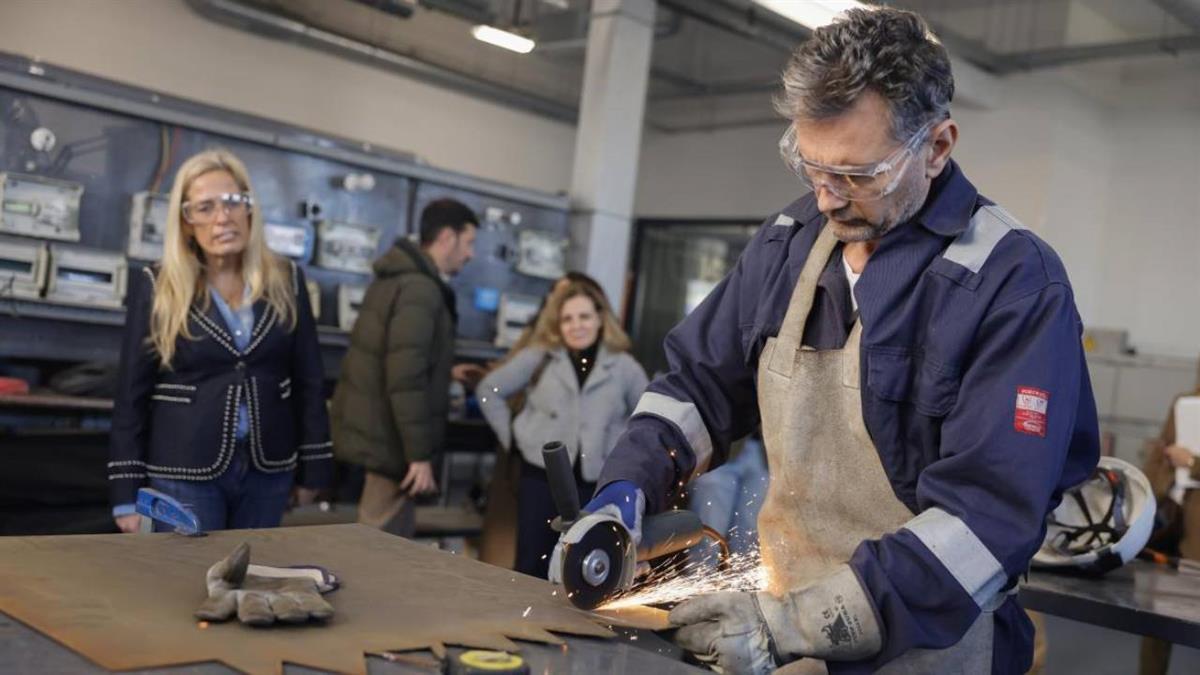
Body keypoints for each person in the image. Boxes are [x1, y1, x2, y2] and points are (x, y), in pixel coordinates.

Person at [564, 8, 1099, 673]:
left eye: (856, 175)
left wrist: (791, 626)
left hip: (928, 642)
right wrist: (627, 488)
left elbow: (985, 520)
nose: (826, 198)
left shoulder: (1013, 281)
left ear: (936, 148)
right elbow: (697, 386)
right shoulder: (789, 243)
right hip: (780, 624)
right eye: (810, 166)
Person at [109, 149, 332, 533]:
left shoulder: (287, 279)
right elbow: (131, 394)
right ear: (186, 220)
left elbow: (309, 382)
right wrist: (125, 492)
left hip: (269, 470)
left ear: (250, 209)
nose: (222, 217)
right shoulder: (157, 285)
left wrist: (313, 469)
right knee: (188, 585)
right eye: (205, 207)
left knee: (255, 580)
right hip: (184, 469)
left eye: (232, 202)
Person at [331, 198, 484, 537]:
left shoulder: (396, 278)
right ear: (447, 237)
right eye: (469, 242)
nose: (471, 254)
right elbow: (405, 377)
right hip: (393, 444)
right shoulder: (421, 289)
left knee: (378, 537)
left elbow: (397, 356)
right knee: (381, 545)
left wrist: (446, 372)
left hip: (381, 433)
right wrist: (418, 455)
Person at [477, 279, 647, 578]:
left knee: (582, 564)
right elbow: (489, 390)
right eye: (567, 319)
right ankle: (524, 624)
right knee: (532, 561)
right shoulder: (540, 356)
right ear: (557, 323)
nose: (576, 326)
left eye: (584, 317)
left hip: (595, 482)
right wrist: (514, 438)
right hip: (541, 479)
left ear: (600, 318)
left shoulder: (624, 367)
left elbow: (646, 418)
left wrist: (620, 454)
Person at [1139, 383, 1200, 675]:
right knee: (1157, 620)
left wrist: (1191, 462)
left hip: (1196, 534)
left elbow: (1186, 459)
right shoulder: (1185, 403)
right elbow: (1160, 454)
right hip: (1172, 523)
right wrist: (1142, 500)